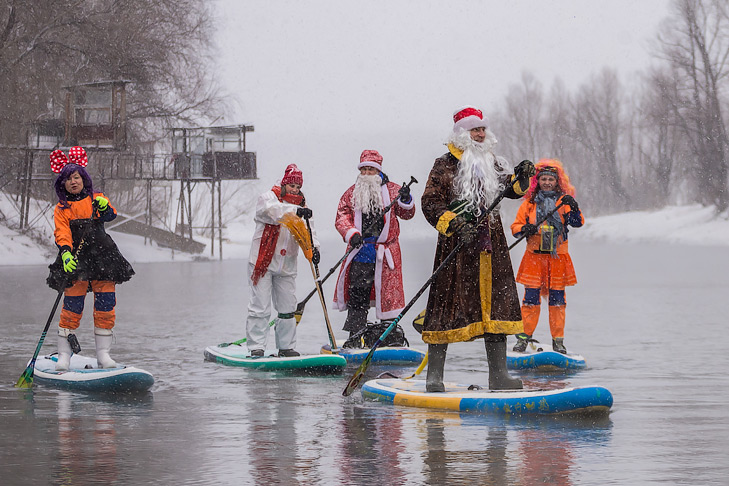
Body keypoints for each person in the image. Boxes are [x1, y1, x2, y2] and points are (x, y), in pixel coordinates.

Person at [420, 106, 534, 391]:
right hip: (457, 246)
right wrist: (455, 223)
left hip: (491, 246)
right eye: (475, 130)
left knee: (497, 306)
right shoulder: (444, 165)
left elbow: (511, 189)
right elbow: (430, 202)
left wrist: (522, 176)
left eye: (483, 129)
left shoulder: (491, 161)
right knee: (447, 306)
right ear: (462, 134)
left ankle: (498, 375)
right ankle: (434, 377)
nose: (481, 134)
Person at [46, 146, 135, 370]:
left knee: (106, 305)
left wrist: (105, 207)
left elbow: (110, 215)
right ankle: (64, 356)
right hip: (76, 261)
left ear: (84, 179)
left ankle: (103, 355)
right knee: (72, 307)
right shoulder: (61, 209)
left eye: (76, 177)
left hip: (103, 258)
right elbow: (61, 232)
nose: (73, 182)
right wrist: (65, 253)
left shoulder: (97, 198)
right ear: (62, 184)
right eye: (68, 179)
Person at [333, 149, 415, 347]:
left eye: (371, 169)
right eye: (364, 170)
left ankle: (388, 337)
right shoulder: (351, 193)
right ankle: (355, 336)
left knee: (387, 296)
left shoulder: (394, 190)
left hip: (386, 254)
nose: (367, 173)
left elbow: (408, 214)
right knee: (358, 294)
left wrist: (405, 200)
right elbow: (341, 217)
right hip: (360, 252)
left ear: (379, 171)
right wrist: (351, 234)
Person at [245, 164, 320, 357]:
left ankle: (286, 347)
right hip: (262, 263)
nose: (294, 189)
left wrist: (315, 248)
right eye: (292, 185)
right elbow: (272, 213)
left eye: (297, 186)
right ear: (285, 184)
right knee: (260, 307)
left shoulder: (303, 206)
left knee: (288, 308)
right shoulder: (269, 198)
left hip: (287, 264)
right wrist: (296, 212)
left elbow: (309, 230)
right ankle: (256, 347)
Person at [510, 159, 583, 354]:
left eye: (551, 179)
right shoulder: (529, 204)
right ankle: (523, 339)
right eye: (543, 179)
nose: (547, 182)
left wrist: (574, 207)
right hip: (534, 258)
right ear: (537, 181)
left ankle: (558, 342)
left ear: (558, 182)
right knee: (530, 300)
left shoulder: (563, 202)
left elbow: (577, 223)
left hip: (558, 259)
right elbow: (516, 228)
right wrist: (525, 228)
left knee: (557, 301)